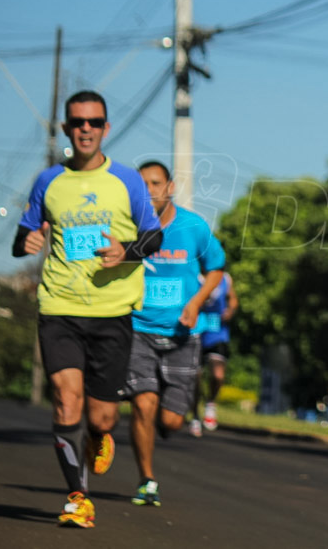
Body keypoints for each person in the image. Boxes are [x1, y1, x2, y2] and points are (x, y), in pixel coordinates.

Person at [12, 90, 162, 528]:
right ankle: (77, 497)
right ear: (65, 128)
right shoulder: (49, 182)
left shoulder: (129, 181)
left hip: (112, 311)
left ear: (105, 129)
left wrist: (127, 251)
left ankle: (99, 436)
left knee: (102, 415)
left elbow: (155, 238)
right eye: (78, 122)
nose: (85, 129)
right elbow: (20, 239)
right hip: (58, 305)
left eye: (94, 122)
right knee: (65, 399)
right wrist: (28, 242)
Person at [123, 161, 224, 507]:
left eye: (155, 183)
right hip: (139, 328)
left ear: (169, 188)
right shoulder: (127, 224)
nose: (149, 190)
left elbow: (216, 268)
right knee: (143, 404)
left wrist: (197, 301)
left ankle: (165, 424)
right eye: (142, 184)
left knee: (171, 420)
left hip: (183, 334)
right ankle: (146, 479)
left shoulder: (193, 226)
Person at [190, 270, 238, 435]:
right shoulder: (192, 274)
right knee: (195, 377)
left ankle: (210, 403)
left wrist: (230, 310)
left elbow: (233, 299)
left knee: (218, 375)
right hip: (196, 332)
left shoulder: (225, 278)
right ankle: (195, 414)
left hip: (217, 333)